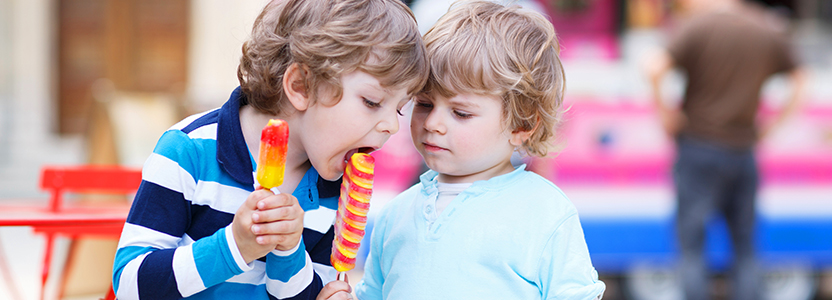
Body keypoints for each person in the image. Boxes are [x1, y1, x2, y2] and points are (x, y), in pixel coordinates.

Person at [111, 0, 428, 299]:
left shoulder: (335, 189)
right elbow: (130, 284)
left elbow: (303, 291)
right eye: (372, 102)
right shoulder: (189, 151)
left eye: (399, 109)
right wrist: (235, 246)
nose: (391, 126)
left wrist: (289, 253)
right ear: (301, 87)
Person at [356, 1, 606, 299]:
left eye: (461, 113)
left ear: (522, 124)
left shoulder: (545, 212)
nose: (433, 123)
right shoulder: (394, 215)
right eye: (424, 104)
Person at [645, 0, 807, 299]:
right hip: (744, 150)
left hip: (698, 148)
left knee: (692, 246)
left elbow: (654, 69)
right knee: (745, 247)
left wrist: (667, 115)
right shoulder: (766, 28)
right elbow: (800, 79)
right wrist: (773, 126)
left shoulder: (698, 26)